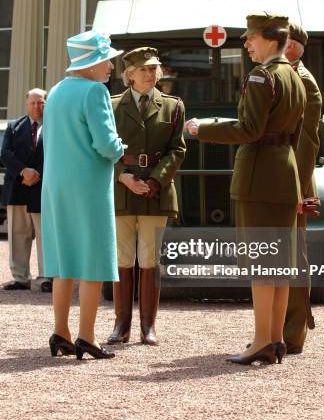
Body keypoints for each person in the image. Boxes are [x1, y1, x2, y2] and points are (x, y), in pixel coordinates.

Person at [185, 13, 306, 365]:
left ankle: (259, 341)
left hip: (258, 175)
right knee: (279, 263)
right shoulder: (293, 74)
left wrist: (202, 129)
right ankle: (276, 339)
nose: (247, 44)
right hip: (284, 173)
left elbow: (250, 129)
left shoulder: (261, 75)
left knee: (260, 263)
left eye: (251, 37)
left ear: (270, 39)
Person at [41, 31, 125, 360]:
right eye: (106, 60)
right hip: (87, 184)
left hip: (57, 184)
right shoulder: (95, 91)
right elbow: (106, 145)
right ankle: (87, 337)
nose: (110, 66)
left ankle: (60, 332)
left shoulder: (56, 90)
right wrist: (121, 148)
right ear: (92, 63)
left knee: (64, 261)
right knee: (93, 261)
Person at [107, 47, 186, 346]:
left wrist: (155, 180)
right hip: (122, 191)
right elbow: (100, 148)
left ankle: (147, 326)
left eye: (154, 69)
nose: (151, 74)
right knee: (124, 259)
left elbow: (177, 150)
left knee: (149, 259)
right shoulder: (111, 106)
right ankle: (121, 325)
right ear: (129, 75)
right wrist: (121, 176)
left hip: (156, 191)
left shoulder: (173, 105)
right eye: (144, 70)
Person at [283, 22, 323, 354]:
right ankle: (278, 328)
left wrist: (298, 190)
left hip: (294, 179)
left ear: (296, 46)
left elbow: (308, 143)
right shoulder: (283, 74)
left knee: (294, 255)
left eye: (284, 41)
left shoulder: (304, 82)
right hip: (282, 177)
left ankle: (293, 333)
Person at [1, 88, 52, 292]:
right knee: (18, 235)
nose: (36, 106)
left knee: (44, 236)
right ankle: (21, 278)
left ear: (46, 103)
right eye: (33, 103)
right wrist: (24, 171)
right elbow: (5, 153)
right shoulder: (14, 126)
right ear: (26, 104)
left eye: (40, 103)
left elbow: (56, 154)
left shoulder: (54, 127)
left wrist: (36, 173)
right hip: (18, 188)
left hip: (42, 187)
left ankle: (45, 277)